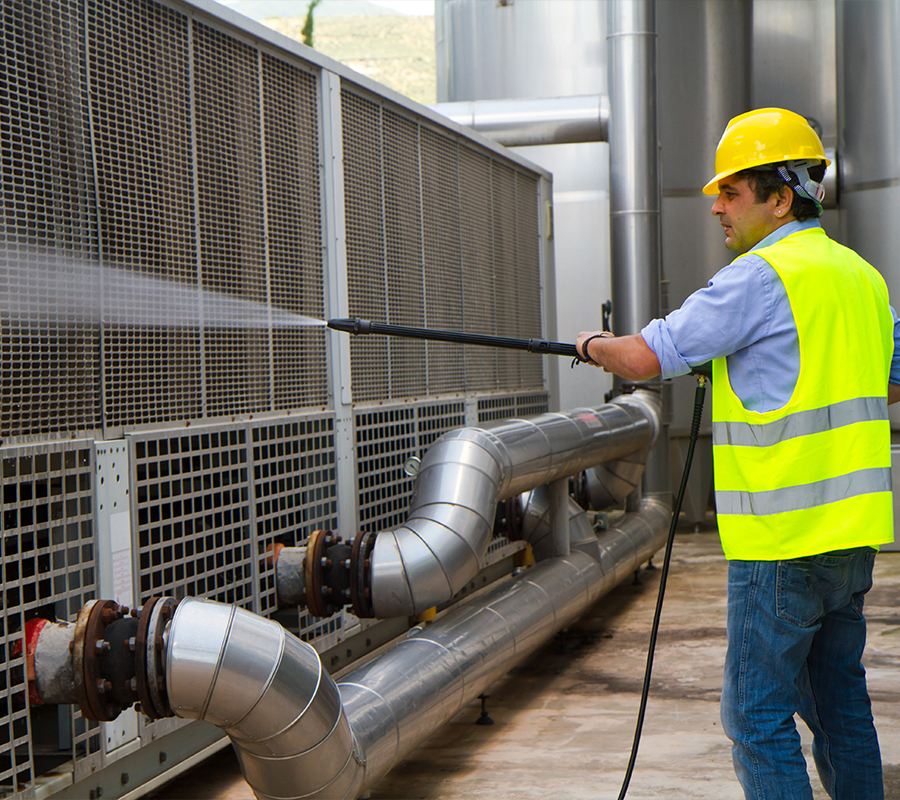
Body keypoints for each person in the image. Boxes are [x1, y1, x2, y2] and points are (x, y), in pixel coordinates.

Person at [576, 107, 900, 800]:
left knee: (755, 716)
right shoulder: (862, 277)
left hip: (782, 542)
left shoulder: (756, 278)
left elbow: (639, 357)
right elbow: (890, 381)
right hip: (852, 537)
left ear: (782, 196)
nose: (718, 207)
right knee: (839, 704)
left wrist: (588, 346)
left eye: (732, 192)